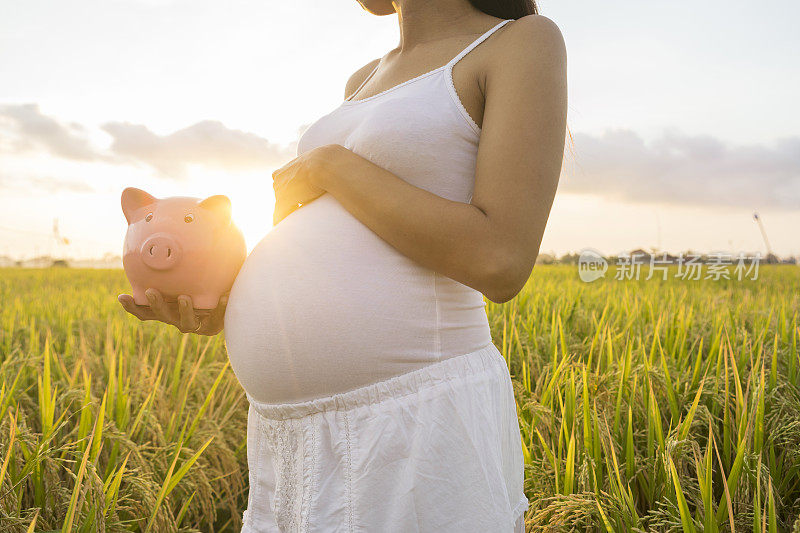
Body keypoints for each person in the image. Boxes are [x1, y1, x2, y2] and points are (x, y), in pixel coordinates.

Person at [119, 0, 567, 530]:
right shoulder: (363, 77)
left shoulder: (522, 41)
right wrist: (226, 299)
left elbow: (500, 259)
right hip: (292, 436)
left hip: (412, 421)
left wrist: (330, 165)